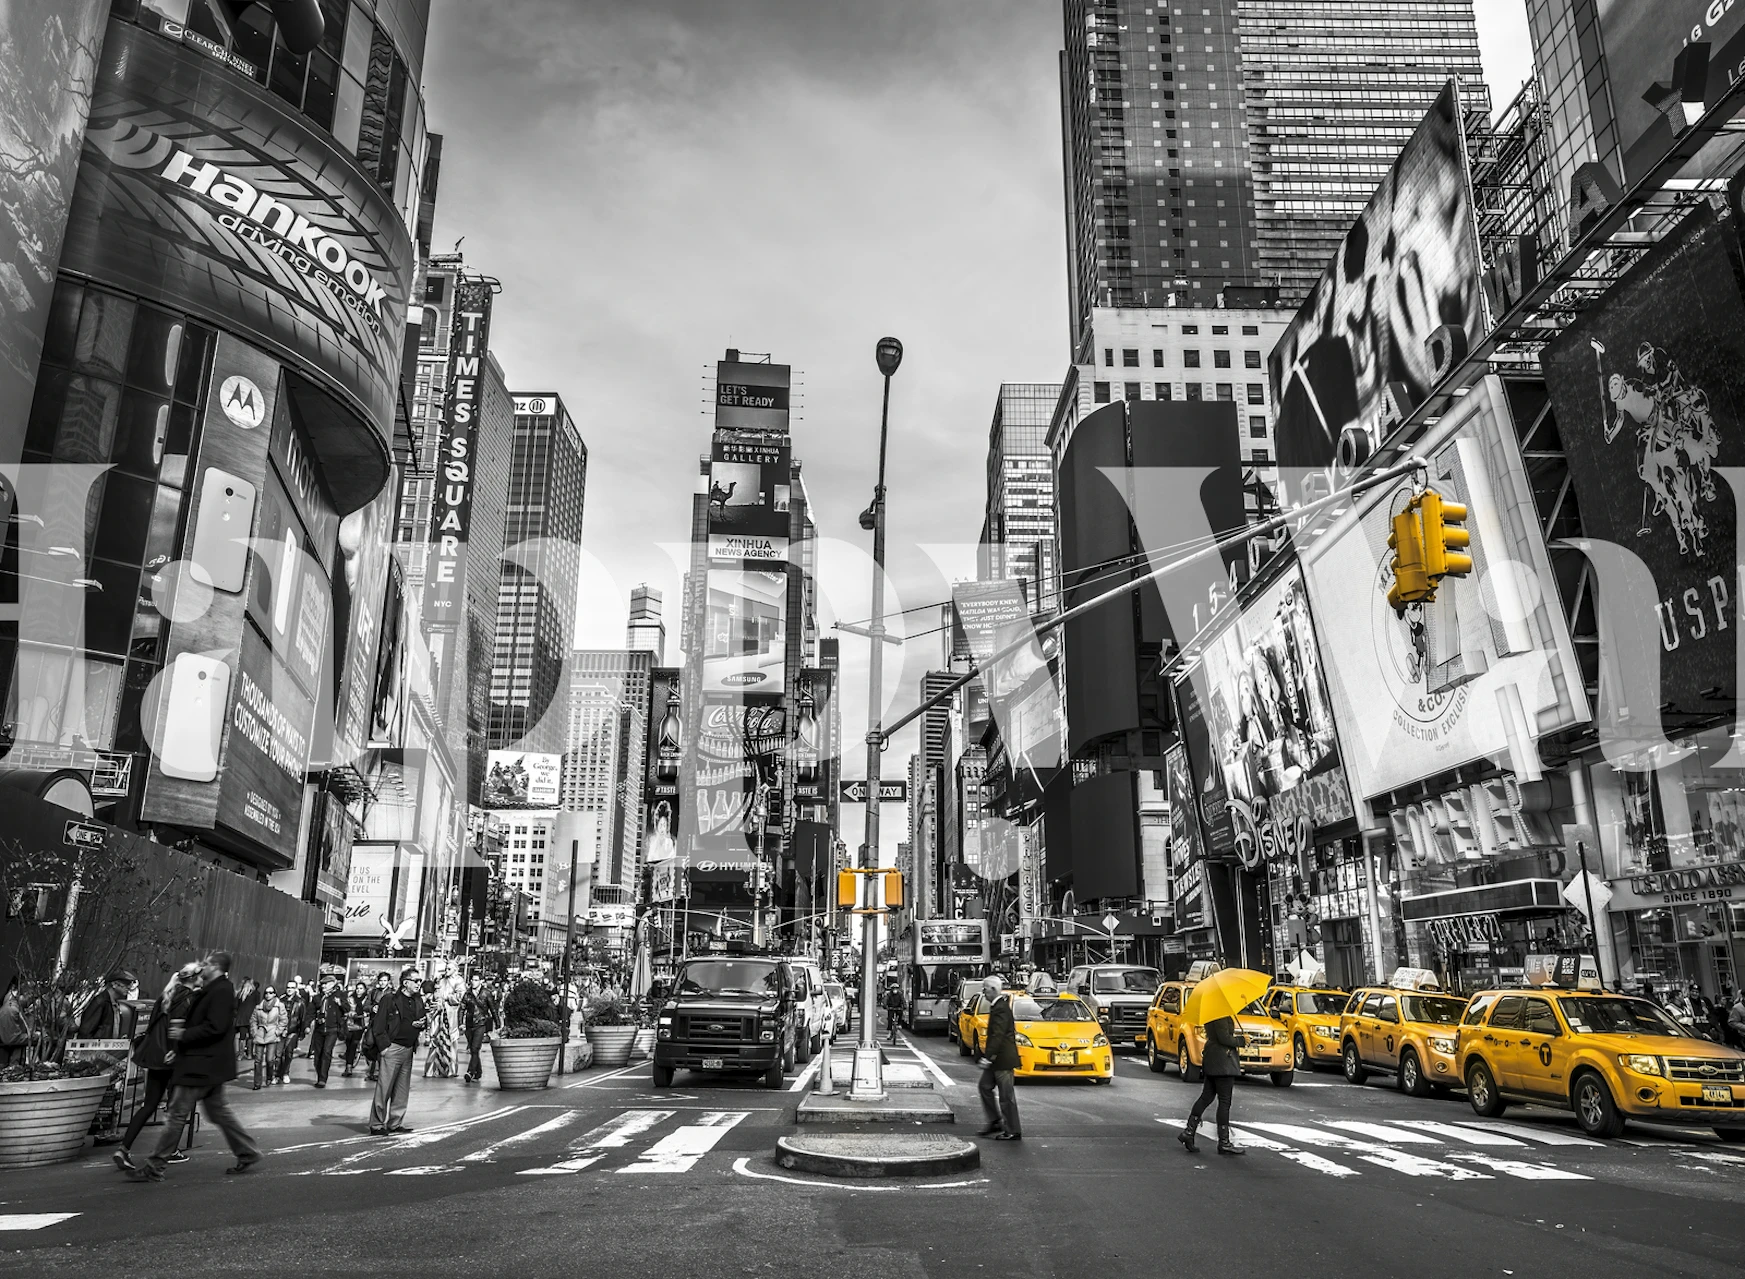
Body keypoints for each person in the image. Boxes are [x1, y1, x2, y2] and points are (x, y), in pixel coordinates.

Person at [127, 951, 261, 1181]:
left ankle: (155, 1166)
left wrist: (184, 1034)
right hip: (206, 1064)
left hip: (202, 1064)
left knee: (177, 1114)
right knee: (218, 1111)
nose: (203, 967)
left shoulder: (221, 991)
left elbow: (215, 1027)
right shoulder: (213, 990)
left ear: (217, 967)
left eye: (207, 963)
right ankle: (247, 1152)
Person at [113, 963, 200, 1173]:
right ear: (194, 978)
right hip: (172, 1057)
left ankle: (123, 1148)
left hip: (155, 1057)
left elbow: (154, 1026)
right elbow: (177, 1028)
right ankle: (168, 1151)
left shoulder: (166, 996)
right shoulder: (187, 998)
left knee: (149, 1104)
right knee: (176, 1108)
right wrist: (176, 1050)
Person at [1178, 1013, 1249, 1156]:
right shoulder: (1221, 1015)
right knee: (1224, 1101)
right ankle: (1224, 1142)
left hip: (1213, 1059)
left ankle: (1189, 1132)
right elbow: (1224, 1038)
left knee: (1206, 1097)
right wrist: (1242, 1040)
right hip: (1223, 1062)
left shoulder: (1212, 1013)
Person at [369, 967, 427, 1136]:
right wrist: (384, 1047)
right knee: (384, 1087)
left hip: (409, 1049)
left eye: (419, 981)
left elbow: (422, 1020)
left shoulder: (418, 1000)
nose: (418, 984)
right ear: (405, 982)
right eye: (415, 981)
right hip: (392, 1047)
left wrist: (422, 1023)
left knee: (402, 1089)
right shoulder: (390, 999)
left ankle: (395, 1123)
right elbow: (378, 1025)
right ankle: (377, 1124)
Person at [975, 976, 1020, 1141]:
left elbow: (998, 1035)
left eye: (985, 988)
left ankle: (1013, 1130)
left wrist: (988, 1057)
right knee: (984, 1086)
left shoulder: (1001, 1008)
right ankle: (994, 1121)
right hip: (996, 1060)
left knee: (1006, 1096)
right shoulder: (998, 1006)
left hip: (1003, 1060)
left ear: (993, 990)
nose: (983, 992)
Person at [77, 970, 138, 1039]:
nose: (129, 987)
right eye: (125, 983)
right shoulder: (100, 1002)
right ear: (114, 984)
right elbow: (86, 1031)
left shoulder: (113, 1002)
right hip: (98, 1047)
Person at [310, 976, 347, 1088]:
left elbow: (348, 1008)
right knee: (318, 1054)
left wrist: (340, 1003)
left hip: (333, 1029)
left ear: (332, 984)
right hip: (319, 1029)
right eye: (322, 984)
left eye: (326, 984)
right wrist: (306, 1026)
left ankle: (322, 1078)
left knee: (326, 1052)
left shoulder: (339, 995)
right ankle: (319, 1074)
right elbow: (310, 1012)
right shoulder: (318, 998)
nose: (323, 986)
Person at [249, 986, 286, 1089]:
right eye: (266, 992)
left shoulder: (280, 1006)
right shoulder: (258, 1007)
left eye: (271, 992)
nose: (268, 994)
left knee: (270, 1060)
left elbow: (283, 1020)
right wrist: (254, 1032)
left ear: (275, 994)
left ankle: (269, 1077)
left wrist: (277, 1032)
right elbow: (253, 1020)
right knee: (258, 1060)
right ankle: (257, 1083)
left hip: (272, 1034)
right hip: (260, 1034)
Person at [460, 977, 495, 1084]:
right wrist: (460, 1023)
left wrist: (497, 1024)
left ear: (480, 981)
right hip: (469, 1024)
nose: (473, 981)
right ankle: (478, 1072)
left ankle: (470, 1072)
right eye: (472, 979)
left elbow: (493, 1009)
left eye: (475, 979)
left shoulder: (486, 993)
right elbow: (461, 1009)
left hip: (481, 1023)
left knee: (475, 1048)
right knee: (473, 1050)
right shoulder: (467, 994)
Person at [423, 968, 456, 1079]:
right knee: (435, 1047)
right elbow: (432, 1011)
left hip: (440, 1024)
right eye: (436, 989)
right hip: (436, 1025)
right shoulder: (433, 998)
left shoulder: (437, 998)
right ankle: (432, 1070)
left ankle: (438, 1070)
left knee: (441, 1046)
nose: (438, 991)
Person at [279, 979, 308, 1083]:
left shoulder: (300, 1002)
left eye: (292, 987)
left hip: (293, 1030)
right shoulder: (281, 1000)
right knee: (278, 1054)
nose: (289, 990)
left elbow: (302, 1018)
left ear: (295, 989)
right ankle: (278, 1073)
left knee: (288, 1053)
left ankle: (285, 1072)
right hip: (280, 1030)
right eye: (288, 987)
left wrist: (301, 1032)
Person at [342, 981, 369, 1077]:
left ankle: (349, 1067)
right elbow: (345, 1008)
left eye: (361, 988)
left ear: (365, 990)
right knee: (349, 1045)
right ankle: (348, 1065)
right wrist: (348, 1013)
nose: (358, 990)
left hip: (360, 1025)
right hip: (349, 1024)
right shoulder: (350, 998)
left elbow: (368, 1009)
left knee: (354, 1044)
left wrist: (365, 1013)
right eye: (357, 988)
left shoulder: (366, 999)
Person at [0, 984, 27, 1067]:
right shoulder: (11, 1009)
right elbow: (11, 1038)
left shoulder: (12, 1006)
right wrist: (32, 1036)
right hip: (12, 1043)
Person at [236, 978, 260, 1061]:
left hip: (241, 1018)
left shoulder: (240, 994)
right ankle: (249, 1054)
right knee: (250, 1036)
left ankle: (240, 1055)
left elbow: (236, 1006)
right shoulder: (256, 993)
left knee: (242, 1037)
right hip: (251, 1017)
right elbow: (257, 1005)